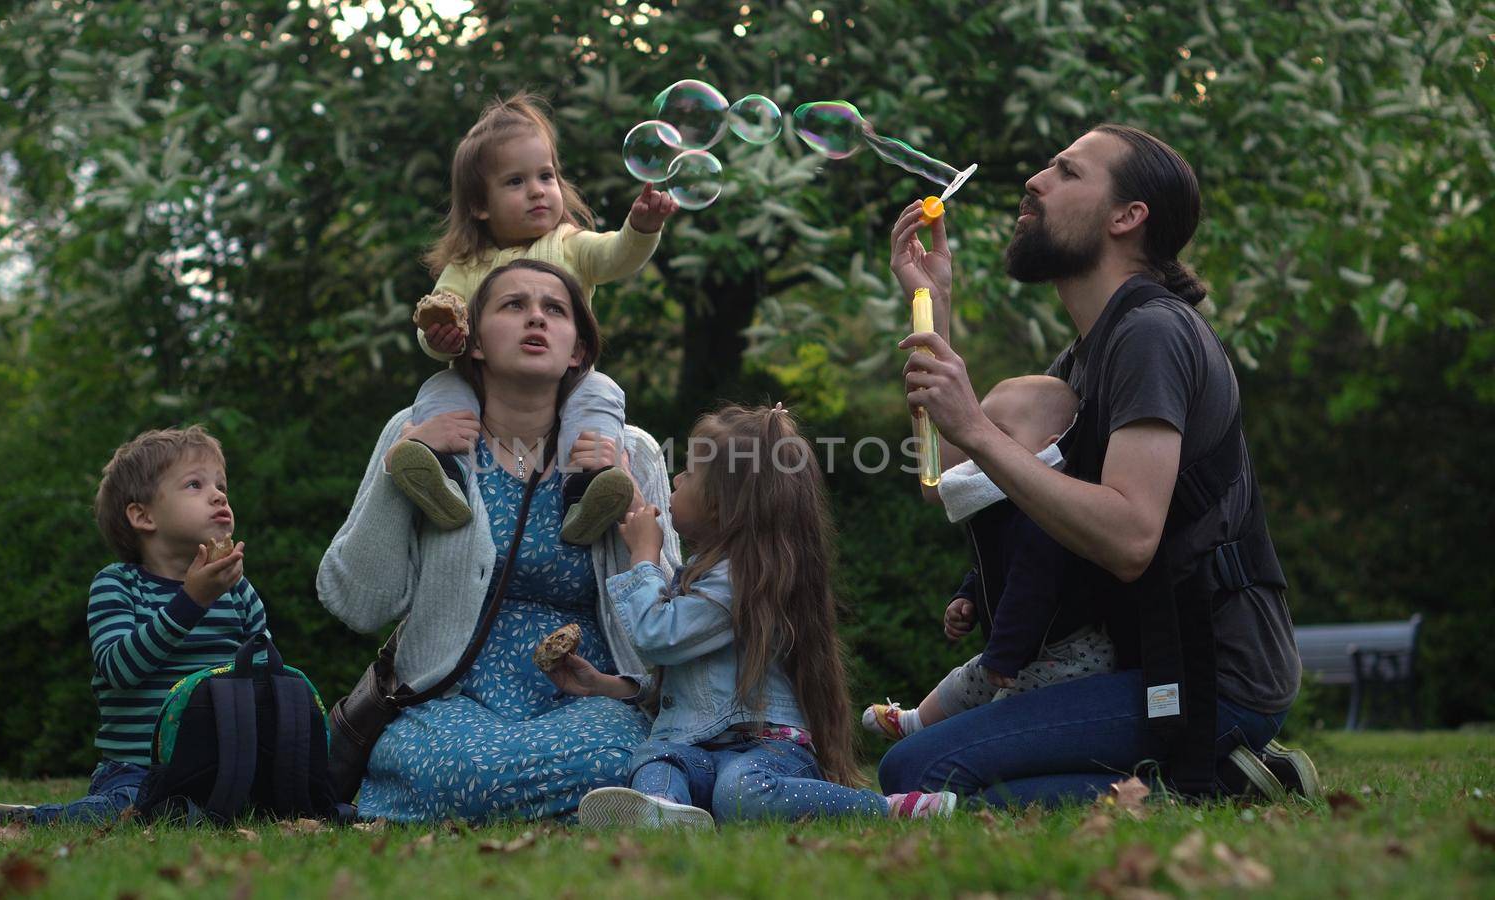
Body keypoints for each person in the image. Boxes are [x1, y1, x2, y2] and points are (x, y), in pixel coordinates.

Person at [881, 124, 1317, 806]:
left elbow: (1130, 537)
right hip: (1146, 661)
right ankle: (1199, 778)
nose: (1035, 180)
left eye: (1066, 171)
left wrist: (974, 425)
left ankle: (1219, 780)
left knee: (920, 774)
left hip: (1211, 678)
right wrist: (932, 305)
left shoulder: (1151, 334)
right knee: (916, 770)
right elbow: (949, 485)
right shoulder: (1086, 356)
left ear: (1127, 216)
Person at [317, 259, 680, 824]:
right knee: (460, 766)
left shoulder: (631, 449)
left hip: (592, 697)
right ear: (476, 343)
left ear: (578, 350)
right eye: (513, 306)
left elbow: (675, 612)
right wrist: (399, 470)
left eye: (554, 310)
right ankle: (590, 811)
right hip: (453, 698)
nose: (535, 318)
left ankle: (495, 807)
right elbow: (357, 603)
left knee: (617, 755)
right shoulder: (415, 433)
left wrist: (631, 494)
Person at [549, 405, 958, 829]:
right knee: (657, 759)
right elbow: (700, 685)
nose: (677, 479)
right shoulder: (707, 574)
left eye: (689, 472)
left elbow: (658, 635)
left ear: (723, 505)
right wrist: (609, 685)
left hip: (767, 756)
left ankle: (883, 809)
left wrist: (644, 558)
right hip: (701, 752)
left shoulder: (741, 582)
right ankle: (662, 814)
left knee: (739, 790)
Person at [394, 91, 677, 547]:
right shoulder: (466, 266)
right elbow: (438, 318)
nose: (537, 190)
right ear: (479, 205)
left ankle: (587, 487)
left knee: (601, 392)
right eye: (515, 181)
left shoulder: (569, 243)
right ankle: (442, 475)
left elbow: (615, 255)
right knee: (439, 389)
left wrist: (641, 229)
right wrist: (442, 340)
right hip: (484, 388)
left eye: (546, 175)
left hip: (566, 380)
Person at [0, 426, 265, 826]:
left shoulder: (239, 592)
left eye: (220, 485)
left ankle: (187, 811)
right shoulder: (117, 584)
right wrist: (192, 602)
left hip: (222, 767)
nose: (218, 494)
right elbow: (121, 669)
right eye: (195, 484)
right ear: (143, 515)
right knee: (130, 808)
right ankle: (27, 820)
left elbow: (263, 679)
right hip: (137, 769)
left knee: (268, 804)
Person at [863, 376, 1114, 742]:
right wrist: (968, 597)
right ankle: (916, 722)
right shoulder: (1004, 502)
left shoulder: (1043, 515)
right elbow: (998, 567)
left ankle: (979, 751)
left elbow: (1034, 588)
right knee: (967, 679)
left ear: (1051, 446)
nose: (982, 447)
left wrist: (1004, 654)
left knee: (1003, 705)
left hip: (1068, 656)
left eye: (999, 434)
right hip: (1023, 649)